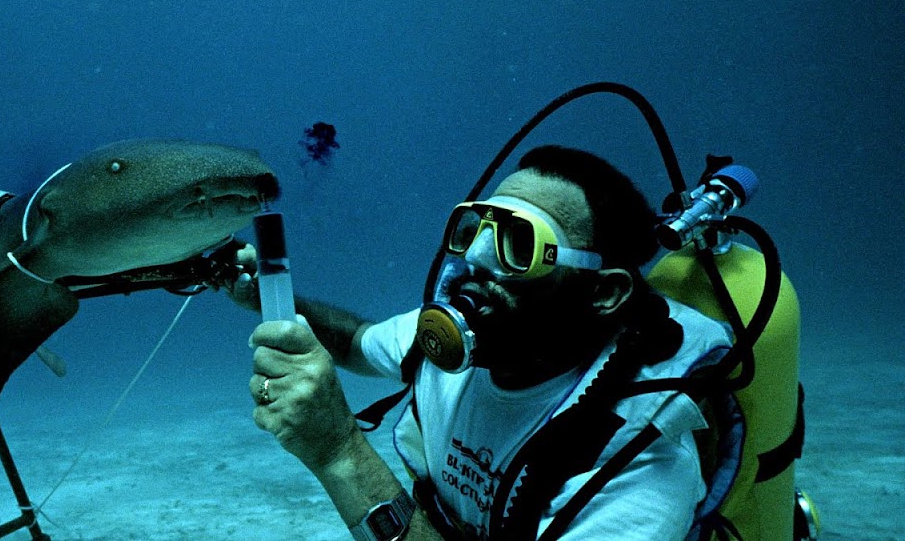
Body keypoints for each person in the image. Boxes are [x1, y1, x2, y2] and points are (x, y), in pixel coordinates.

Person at [229, 145, 733, 541]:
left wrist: (339, 450)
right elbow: (357, 342)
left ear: (604, 292)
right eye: (475, 229)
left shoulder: (640, 461)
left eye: (519, 244)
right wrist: (260, 296)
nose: (475, 259)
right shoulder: (463, 338)